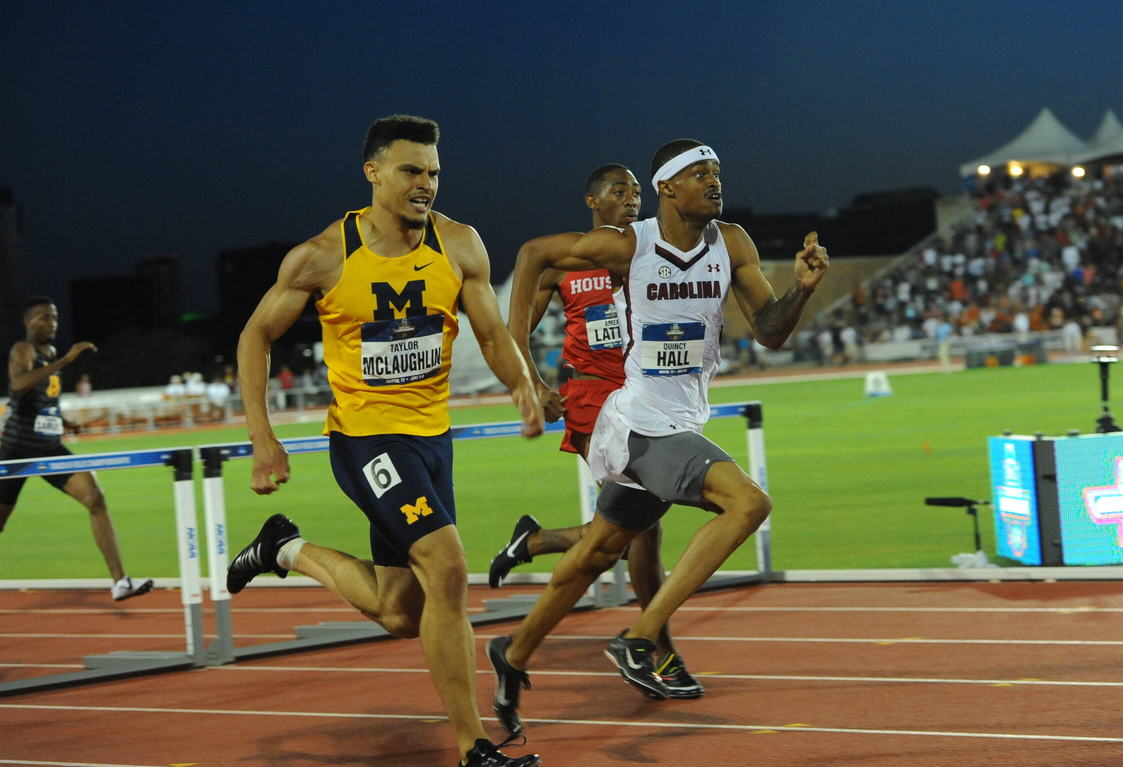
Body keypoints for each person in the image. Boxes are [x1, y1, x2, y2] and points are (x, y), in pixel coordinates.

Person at [225, 115, 543, 767]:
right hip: (367, 443)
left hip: (432, 442)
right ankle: (474, 747)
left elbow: (488, 332)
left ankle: (283, 548)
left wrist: (521, 386)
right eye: (410, 171)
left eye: (433, 172)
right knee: (449, 565)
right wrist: (264, 439)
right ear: (373, 172)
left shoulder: (460, 245)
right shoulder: (322, 256)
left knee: (402, 611)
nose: (425, 184)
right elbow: (255, 336)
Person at [486, 139, 827, 734]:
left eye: (718, 172)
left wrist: (801, 289)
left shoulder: (732, 243)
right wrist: (524, 374)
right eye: (701, 174)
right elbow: (533, 253)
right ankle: (643, 638)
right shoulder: (630, 244)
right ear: (669, 187)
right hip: (640, 418)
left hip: (684, 416)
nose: (716, 182)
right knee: (749, 503)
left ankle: (511, 654)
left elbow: (770, 332)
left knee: (600, 548)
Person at [488, 163, 702, 700]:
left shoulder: (646, 252)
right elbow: (512, 329)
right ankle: (658, 650)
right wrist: (533, 384)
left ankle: (537, 541)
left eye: (636, 191)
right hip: (590, 400)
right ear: (592, 201)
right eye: (618, 190)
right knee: (642, 526)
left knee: (629, 525)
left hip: (644, 399)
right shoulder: (567, 261)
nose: (631, 198)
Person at [0, 298, 152, 601]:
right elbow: (17, 387)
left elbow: (42, 401)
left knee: (95, 499)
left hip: (49, 447)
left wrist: (63, 420)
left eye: (54, 317)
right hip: (17, 450)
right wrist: (65, 361)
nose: (52, 323)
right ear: (29, 322)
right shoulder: (24, 350)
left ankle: (120, 582)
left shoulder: (51, 352)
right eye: (44, 317)